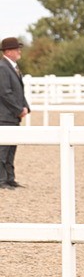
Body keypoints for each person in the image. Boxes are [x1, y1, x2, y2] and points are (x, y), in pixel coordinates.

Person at [1, 36, 31, 190]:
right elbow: (5, 93)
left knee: (12, 148)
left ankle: (10, 178)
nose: (19, 51)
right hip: (5, 116)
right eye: (16, 48)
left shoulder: (13, 67)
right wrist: (18, 110)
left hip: (13, 116)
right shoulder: (2, 67)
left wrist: (26, 107)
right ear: (8, 51)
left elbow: (19, 91)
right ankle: (2, 180)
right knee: (4, 149)